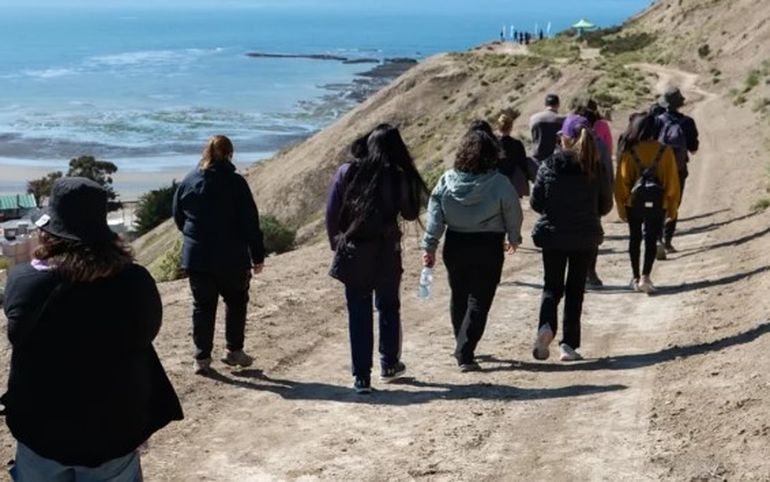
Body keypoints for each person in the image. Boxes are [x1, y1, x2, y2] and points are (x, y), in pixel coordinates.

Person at [2, 177, 183, 481]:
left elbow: (20, 335)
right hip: (113, 430)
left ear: (49, 232)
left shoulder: (24, 282)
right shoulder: (136, 282)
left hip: (41, 430)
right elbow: (146, 334)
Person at [326, 124, 428, 393]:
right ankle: (389, 363)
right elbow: (408, 214)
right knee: (388, 306)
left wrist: (337, 245)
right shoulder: (397, 175)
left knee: (358, 313)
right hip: (387, 250)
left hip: (355, 250)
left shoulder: (347, 171)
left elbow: (332, 212)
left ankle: (361, 377)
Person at [421, 128, 523, 371]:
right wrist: (514, 237)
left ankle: (461, 342)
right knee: (480, 299)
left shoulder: (446, 180)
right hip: (488, 245)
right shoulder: (500, 183)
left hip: (456, 243)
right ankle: (465, 351)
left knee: (459, 295)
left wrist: (430, 245)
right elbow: (513, 211)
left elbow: (435, 216)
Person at [173, 135, 265, 374]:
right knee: (236, 302)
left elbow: (178, 216)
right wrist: (258, 255)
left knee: (202, 306)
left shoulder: (189, 180)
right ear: (229, 154)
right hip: (232, 256)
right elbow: (250, 222)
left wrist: (193, 238)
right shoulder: (236, 183)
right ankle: (234, 351)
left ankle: (201, 358)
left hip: (197, 257)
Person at [530, 115, 613, 362]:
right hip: (584, 238)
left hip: (553, 237)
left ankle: (545, 328)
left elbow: (536, 203)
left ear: (564, 138)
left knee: (551, 287)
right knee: (575, 290)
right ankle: (568, 345)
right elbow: (606, 205)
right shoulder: (595, 167)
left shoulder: (549, 164)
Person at [615, 113, 681, 294]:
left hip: (633, 202)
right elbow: (672, 183)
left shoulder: (629, 151)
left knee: (634, 238)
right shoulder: (665, 151)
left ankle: (635, 277)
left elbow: (622, 183)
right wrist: (671, 208)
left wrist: (622, 208)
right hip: (657, 202)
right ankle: (646, 276)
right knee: (651, 238)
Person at [571, 97, 615, 288]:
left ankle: (575, 275)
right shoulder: (601, 145)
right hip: (594, 197)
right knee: (593, 235)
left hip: (572, 196)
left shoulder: (568, 144)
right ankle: (591, 273)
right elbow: (607, 171)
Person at [655, 86, 699, 257]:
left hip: (658, 169)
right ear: (680, 103)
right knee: (673, 203)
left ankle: (656, 238)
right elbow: (693, 149)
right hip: (678, 169)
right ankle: (667, 242)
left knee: (658, 203)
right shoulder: (687, 122)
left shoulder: (656, 121)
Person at [496, 113, 536, 198]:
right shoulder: (517, 144)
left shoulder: (494, 144)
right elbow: (523, 164)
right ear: (511, 127)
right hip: (515, 183)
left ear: (498, 127)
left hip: (498, 183)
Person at [529, 94, 565, 164]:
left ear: (545, 105)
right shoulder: (561, 119)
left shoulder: (533, 118)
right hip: (555, 159)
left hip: (538, 158)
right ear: (558, 105)